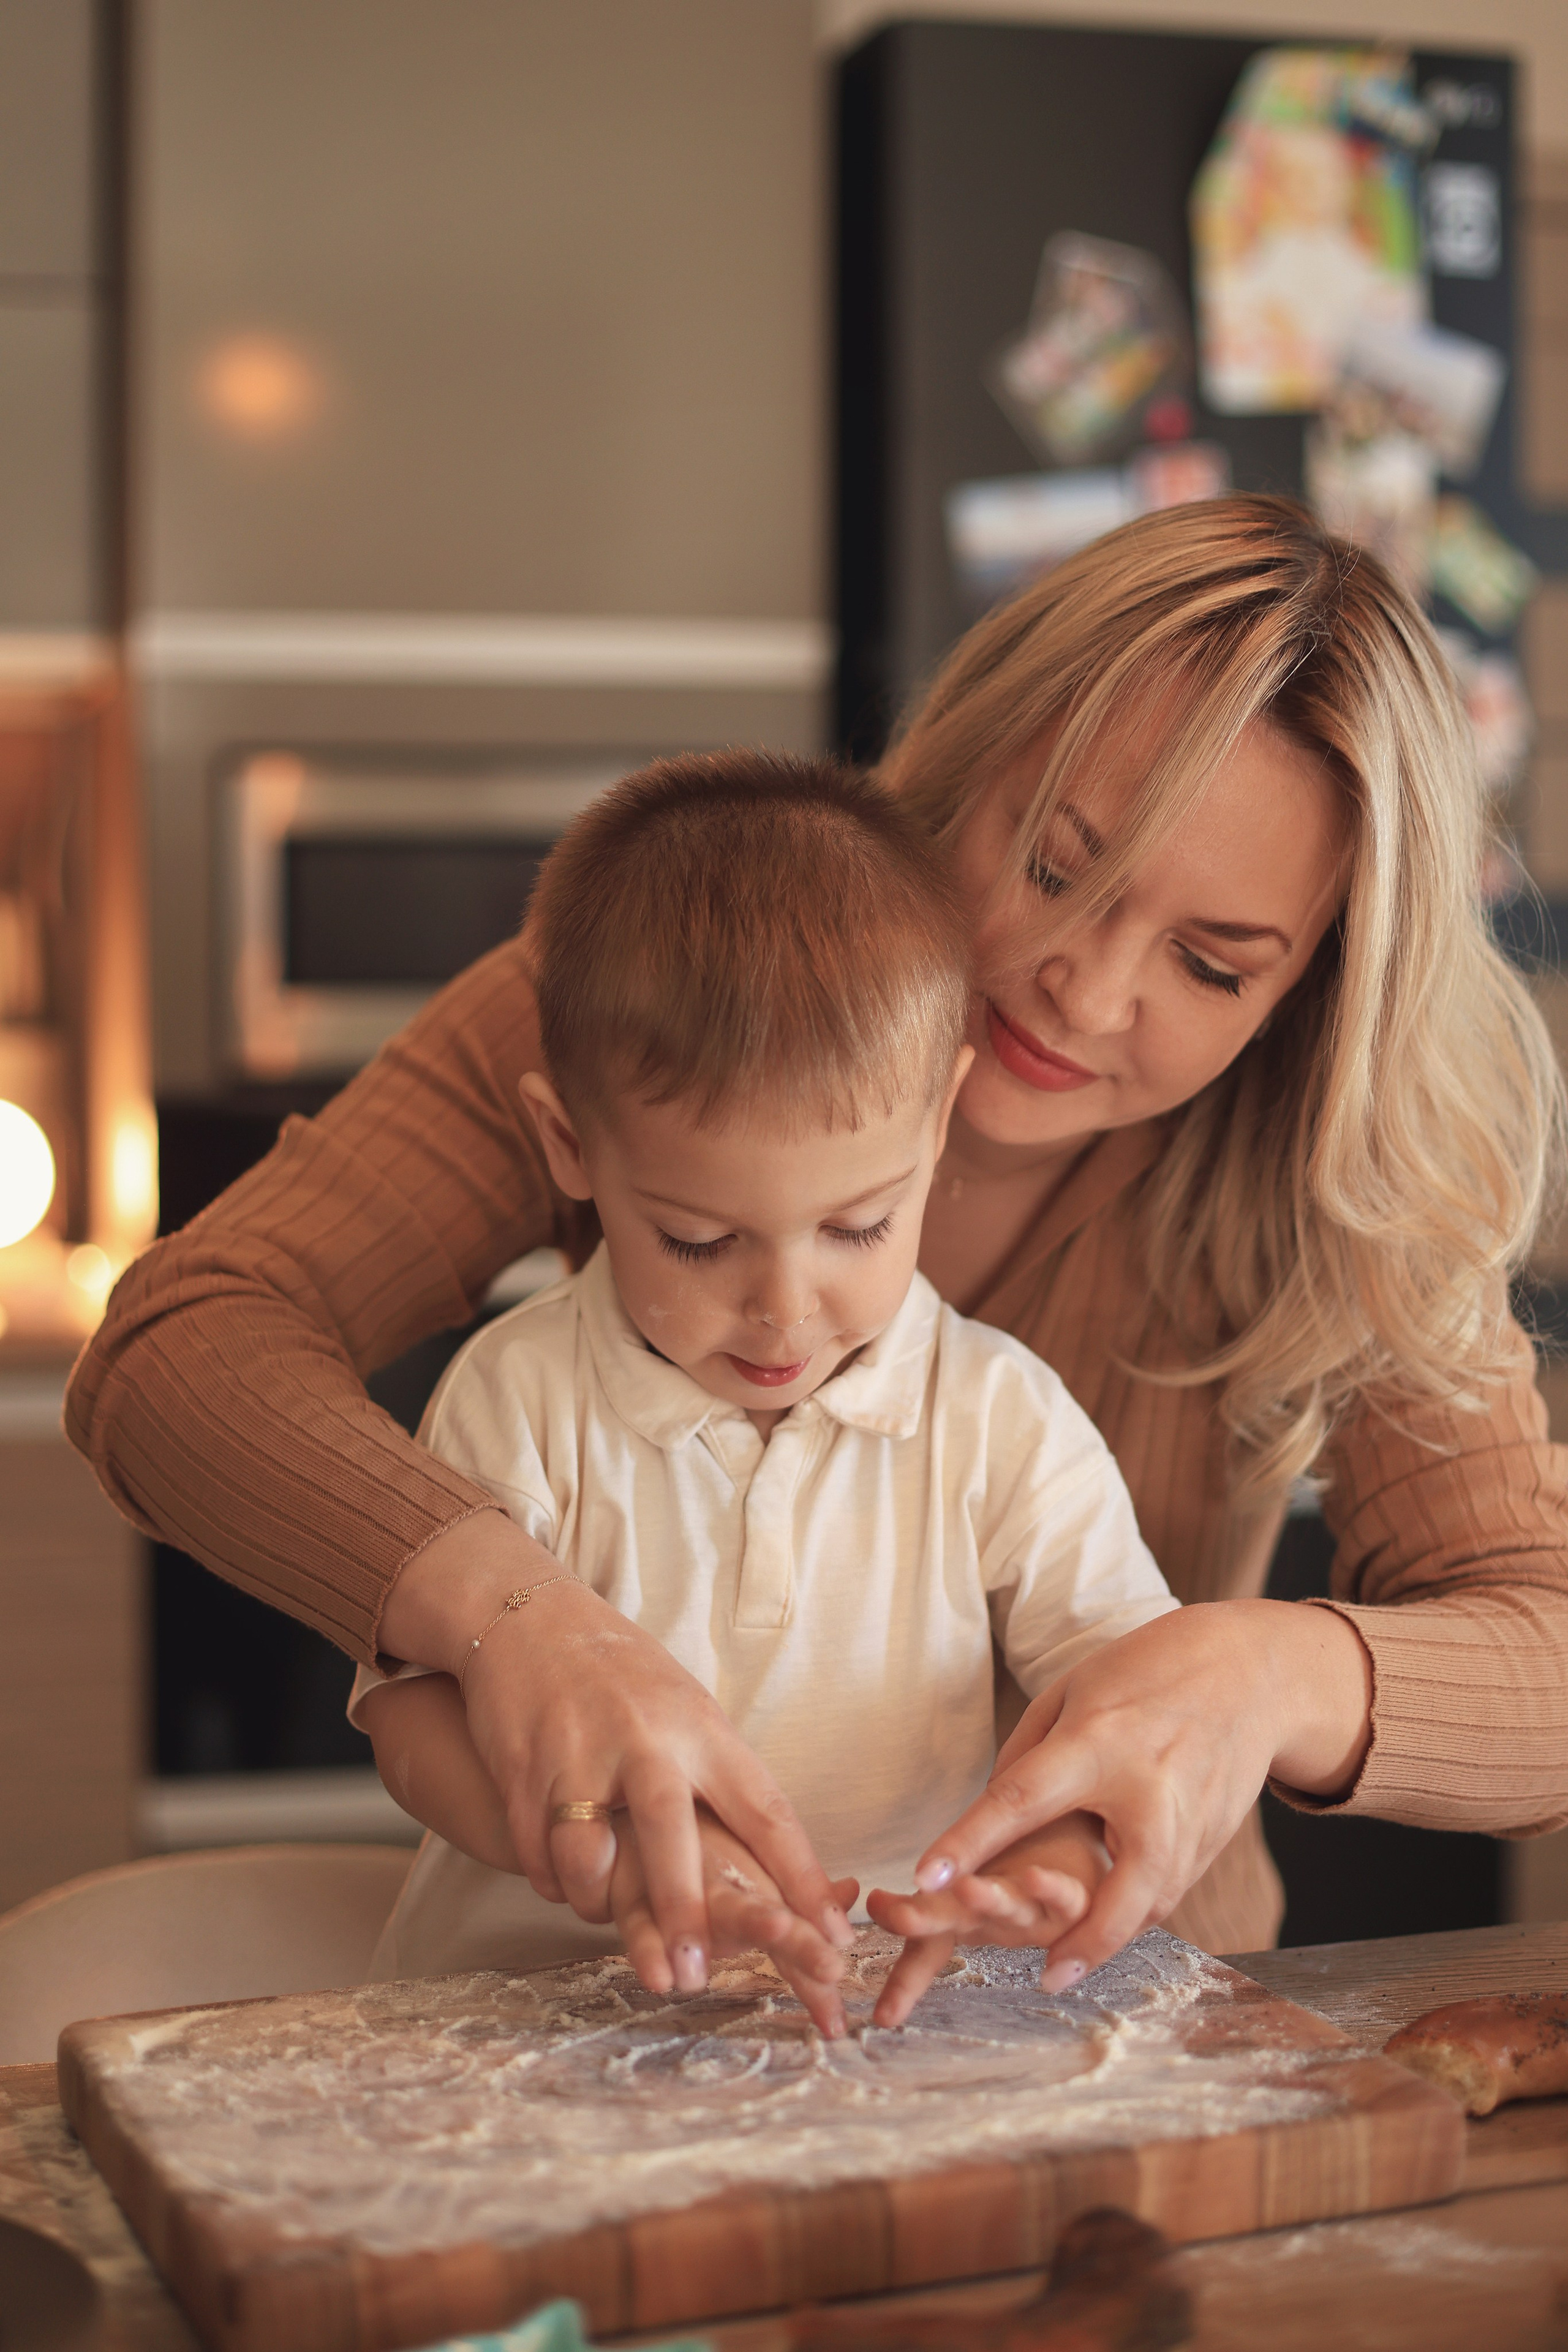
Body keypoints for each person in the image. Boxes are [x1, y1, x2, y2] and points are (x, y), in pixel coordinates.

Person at [67, 496, 1568, 2011]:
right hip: (624, 1998)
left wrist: (1265, 1678)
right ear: (966, 764)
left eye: (1207, 963)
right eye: (1052, 868)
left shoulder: (1349, 1172)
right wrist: (516, 1619)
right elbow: (180, 1349)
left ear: (1308, 990)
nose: (1081, 991)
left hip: (1102, 2007)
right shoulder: (673, 997)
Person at [350, 753, 1175, 2034]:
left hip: (867, 2038)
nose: (784, 1310)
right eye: (696, 1240)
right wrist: (624, 1857)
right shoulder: (521, 1396)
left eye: (857, 1226)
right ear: (570, 1145)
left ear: (937, 1122)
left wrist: (1048, 1865)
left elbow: (1119, 1698)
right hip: (523, 2038)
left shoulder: (999, 1421)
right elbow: (411, 1720)